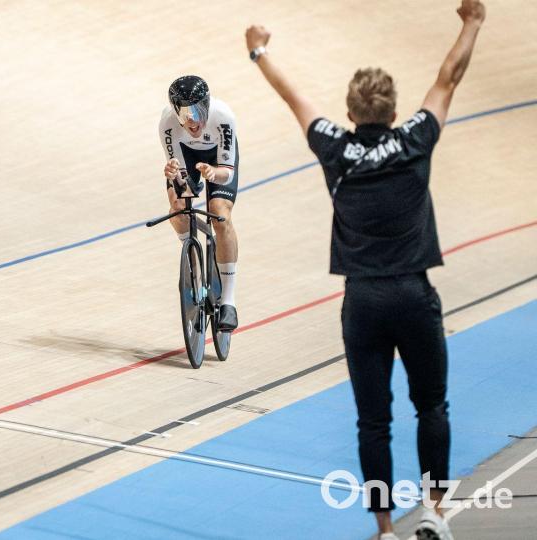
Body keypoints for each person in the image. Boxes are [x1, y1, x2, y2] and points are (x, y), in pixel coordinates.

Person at [245, 1, 486, 538]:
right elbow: (450, 77)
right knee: (432, 407)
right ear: (395, 111)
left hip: (364, 305)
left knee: (373, 420)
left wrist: (259, 51)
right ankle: (434, 513)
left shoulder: (335, 148)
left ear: (351, 115)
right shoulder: (415, 140)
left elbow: (294, 98)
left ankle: (383, 528)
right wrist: (472, 22)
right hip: (413, 295)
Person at [159, 76, 240, 330]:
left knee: (220, 214)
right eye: (184, 114)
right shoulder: (168, 125)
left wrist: (215, 174)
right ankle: (194, 265)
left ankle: (228, 301)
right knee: (177, 210)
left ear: (206, 106)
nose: (191, 120)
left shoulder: (223, 116)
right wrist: (174, 174)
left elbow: (228, 171)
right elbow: (181, 180)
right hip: (187, 157)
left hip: (218, 160)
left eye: (196, 111)